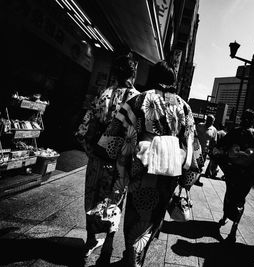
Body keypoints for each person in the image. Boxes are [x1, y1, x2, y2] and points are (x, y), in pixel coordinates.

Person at [95, 60, 201, 266]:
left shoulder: (140, 99)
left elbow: (117, 129)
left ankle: (132, 253)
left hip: (143, 168)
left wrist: (107, 155)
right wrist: (189, 178)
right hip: (170, 170)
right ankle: (138, 254)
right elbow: (192, 143)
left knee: (138, 211)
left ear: (153, 78)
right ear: (173, 81)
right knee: (156, 213)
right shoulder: (184, 106)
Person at [75, 48, 140, 264]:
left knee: (92, 198)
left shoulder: (103, 95)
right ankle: (108, 246)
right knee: (114, 201)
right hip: (120, 162)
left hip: (97, 158)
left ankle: (90, 239)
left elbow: (84, 130)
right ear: (133, 74)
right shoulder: (137, 99)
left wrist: (93, 152)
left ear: (115, 73)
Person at [214, 109, 254, 243]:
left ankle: (225, 217)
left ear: (241, 118)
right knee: (240, 199)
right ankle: (233, 230)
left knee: (229, 194)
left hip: (233, 171)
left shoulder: (235, 132)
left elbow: (221, 146)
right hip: (247, 174)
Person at [195, 114, 218, 186]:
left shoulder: (214, 130)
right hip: (195, 149)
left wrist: (211, 151)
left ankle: (197, 180)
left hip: (204, 151)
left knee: (200, 166)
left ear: (213, 122)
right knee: (193, 165)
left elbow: (214, 142)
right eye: (208, 119)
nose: (209, 121)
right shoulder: (199, 125)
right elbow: (194, 134)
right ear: (206, 119)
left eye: (211, 120)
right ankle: (188, 179)